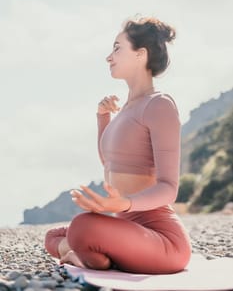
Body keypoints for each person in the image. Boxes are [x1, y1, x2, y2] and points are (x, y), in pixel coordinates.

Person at [44, 16, 192, 274]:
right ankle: (94, 256)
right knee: (52, 235)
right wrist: (103, 117)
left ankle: (90, 254)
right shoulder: (125, 109)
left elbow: (169, 188)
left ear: (140, 54)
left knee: (82, 228)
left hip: (162, 240)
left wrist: (124, 203)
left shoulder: (159, 105)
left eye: (117, 48)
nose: (109, 57)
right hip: (126, 228)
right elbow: (110, 163)